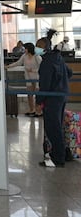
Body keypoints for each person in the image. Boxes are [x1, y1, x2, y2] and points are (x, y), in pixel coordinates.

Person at [36, 33, 72, 168]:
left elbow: (44, 84)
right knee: (58, 126)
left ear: (43, 48)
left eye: (38, 46)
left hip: (52, 99)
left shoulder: (46, 63)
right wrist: (61, 84)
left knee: (52, 128)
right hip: (62, 96)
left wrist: (39, 101)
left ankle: (58, 158)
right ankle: (63, 153)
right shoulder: (58, 57)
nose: (36, 49)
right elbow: (69, 72)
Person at [6, 43, 42, 117]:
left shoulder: (37, 57)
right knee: (29, 95)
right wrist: (8, 66)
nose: (24, 49)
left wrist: (32, 70)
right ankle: (32, 110)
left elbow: (42, 68)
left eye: (25, 48)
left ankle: (39, 111)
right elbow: (18, 63)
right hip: (28, 78)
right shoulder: (24, 56)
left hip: (37, 78)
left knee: (38, 96)